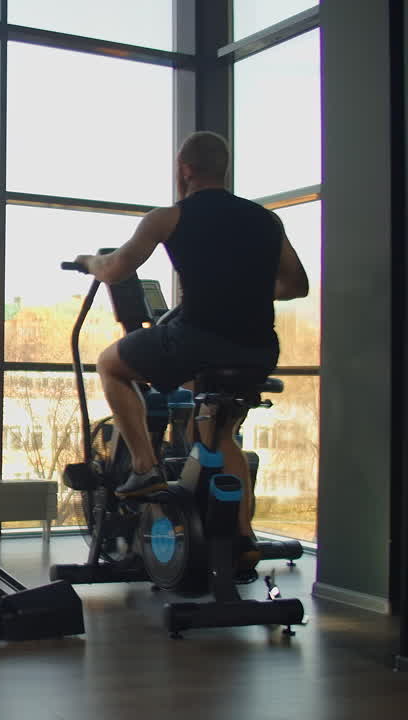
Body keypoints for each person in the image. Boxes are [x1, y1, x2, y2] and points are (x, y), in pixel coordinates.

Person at [74, 130, 309, 546]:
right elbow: (296, 284)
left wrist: (89, 262)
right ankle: (242, 538)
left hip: (199, 339)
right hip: (258, 349)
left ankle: (145, 466)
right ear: (224, 169)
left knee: (110, 363)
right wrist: (248, 287)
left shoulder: (170, 217)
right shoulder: (267, 220)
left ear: (184, 169)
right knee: (219, 433)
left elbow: (115, 269)